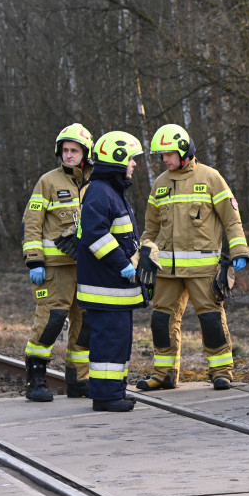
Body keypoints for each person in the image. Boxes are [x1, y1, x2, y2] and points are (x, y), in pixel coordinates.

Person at [136, 124, 249, 392]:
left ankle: (221, 372)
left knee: (211, 321)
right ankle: (163, 374)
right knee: (161, 322)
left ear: (185, 152)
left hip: (203, 270)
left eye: (169, 154)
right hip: (166, 272)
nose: (164, 159)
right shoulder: (160, 184)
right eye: (161, 155)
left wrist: (239, 251)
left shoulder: (211, 178)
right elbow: (150, 229)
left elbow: (231, 220)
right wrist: (145, 252)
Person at [21, 123, 94, 402]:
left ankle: (78, 380)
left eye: (74, 150)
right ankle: (36, 379)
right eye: (65, 150)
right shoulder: (48, 182)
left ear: (85, 153)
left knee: (84, 324)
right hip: (54, 270)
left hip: (87, 268)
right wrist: (34, 261)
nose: (69, 155)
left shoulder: (95, 183)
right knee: (51, 321)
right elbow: (32, 223)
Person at [76, 131, 146, 412]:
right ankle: (105, 397)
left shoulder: (110, 190)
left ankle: (114, 390)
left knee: (118, 343)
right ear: (118, 159)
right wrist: (124, 264)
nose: (134, 164)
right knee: (108, 342)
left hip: (116, 288)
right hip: (107, 288)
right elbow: (95, 236)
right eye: (131, 158)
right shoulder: (100, 191)